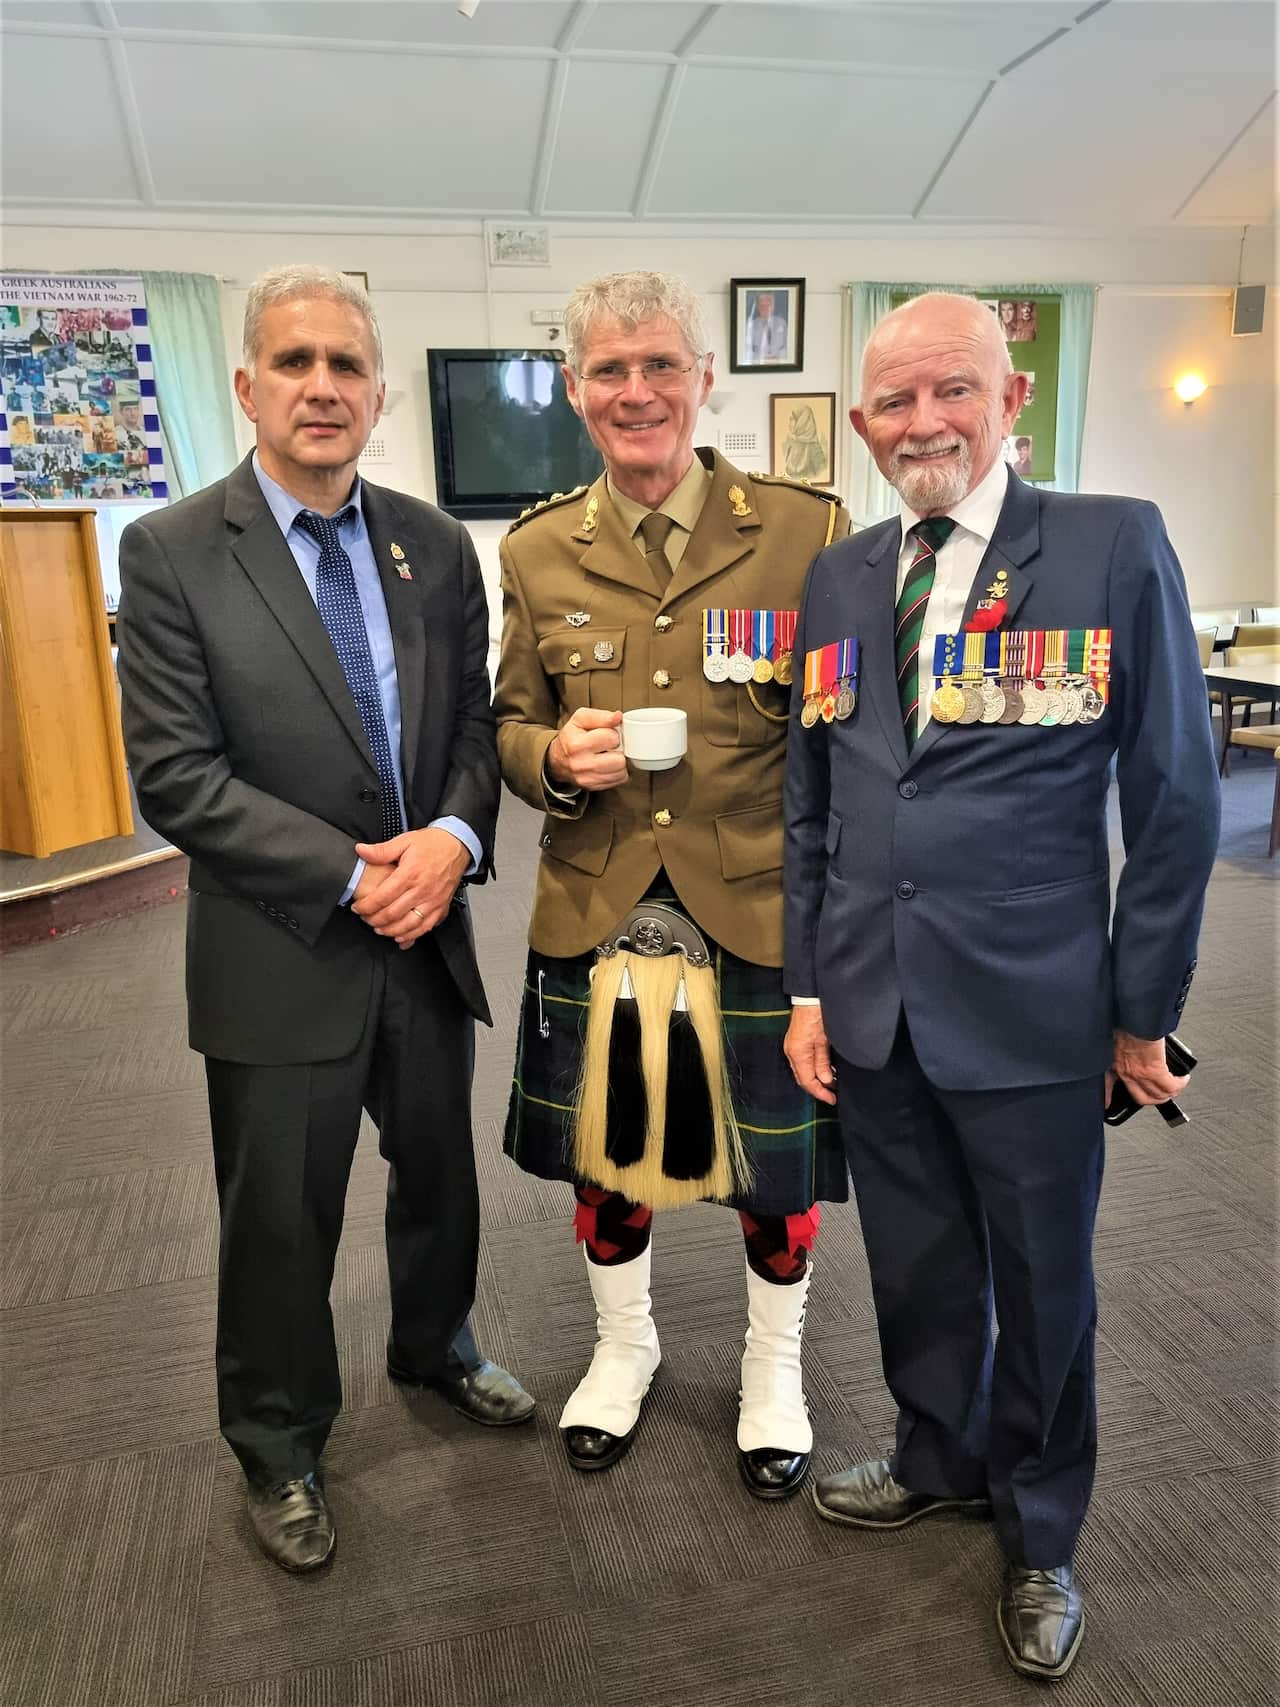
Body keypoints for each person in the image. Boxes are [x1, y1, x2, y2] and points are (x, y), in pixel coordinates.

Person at [782, 291, 1219, 1680]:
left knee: (1041, 1284)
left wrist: (1140, 1009)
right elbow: (817, 798)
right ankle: (937, 1451)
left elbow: (1175, 798)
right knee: (915, 1261)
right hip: (871, 998)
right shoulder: (840, 577)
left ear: (1009, 396)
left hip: (1035, 1008)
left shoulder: (1106, 542)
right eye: (896, 402)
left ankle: (1038, 1528)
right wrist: (806, 988)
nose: (924, 424)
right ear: (863, 423)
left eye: (951, 391)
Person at [116, 264, 533, 1576]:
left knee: (440, 1172)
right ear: (246, 385)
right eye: (293, 362)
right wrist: (362, 874)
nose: (321, 387)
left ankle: (437, 1341)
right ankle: (278, 1435)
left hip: (425, 937)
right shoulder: (174, 549)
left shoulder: (431, 545)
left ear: (380, 393)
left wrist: (455, 837)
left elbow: (469, 725)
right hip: (280, 945)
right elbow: (178, 776)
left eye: (346, 365)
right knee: (283, 1213)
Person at [495, 270, 850, 1501]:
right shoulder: (539, 549)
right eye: (607, 369)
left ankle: (772, 1372)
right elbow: (508, 719)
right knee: (610, 1164)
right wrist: (547, 757)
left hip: (756, 903)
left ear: (705, 380)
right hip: (596, 902)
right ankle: (623, 1348)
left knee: (775, 1172)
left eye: (658, 365)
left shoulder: (807, 530)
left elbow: (848, 730)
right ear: (575, 392)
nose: (634, 390)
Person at [745, 290, 788, 362]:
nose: (765, 309)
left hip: (779, 364)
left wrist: (778, 359)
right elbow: (748, 349)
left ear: (773, 306)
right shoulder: (751, 325)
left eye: (768, 305)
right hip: (758, 365)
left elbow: (787, 346)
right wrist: (761, 359)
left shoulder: (782, 323)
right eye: (762, 305)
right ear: (758, 307)